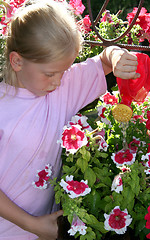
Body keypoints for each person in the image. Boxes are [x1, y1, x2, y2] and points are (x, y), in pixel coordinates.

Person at [0, 0, 140, 239]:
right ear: (17, 61)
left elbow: (104, 59)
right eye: (50, 74)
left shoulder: (62, 88)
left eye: (64, 71)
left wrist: (117, 56)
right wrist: (31, 224)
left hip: (42, 229)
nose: (58, 81)